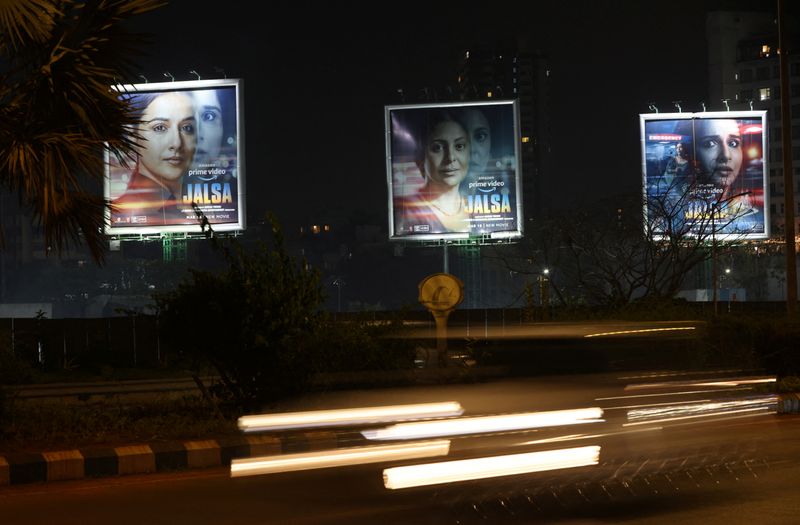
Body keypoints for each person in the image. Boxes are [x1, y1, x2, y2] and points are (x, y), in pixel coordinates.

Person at [112, 91, 197, 224]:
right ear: (132, 136)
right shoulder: (123, 213)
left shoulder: (193, 206)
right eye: (159, 128)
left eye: (187, 128)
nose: (177, 143)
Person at [394, 110, 471, 234]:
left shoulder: (478, 208)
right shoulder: (405, 212)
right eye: (437, 148)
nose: (450, 157)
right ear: (420, 158)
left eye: (459, 146)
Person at [693, 118, 760, 232]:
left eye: (733, 143)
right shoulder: (676, 215)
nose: (725, 155)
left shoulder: (755, 216)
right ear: (693, 153)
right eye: (710, 143)